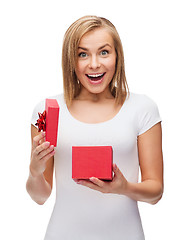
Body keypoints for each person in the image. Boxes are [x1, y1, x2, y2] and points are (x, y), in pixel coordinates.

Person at [26, 15, 164, 240]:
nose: (94, 64)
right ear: (71, 60)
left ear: (117, 56)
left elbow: (155, 191)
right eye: (83, 54)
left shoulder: (142, 108)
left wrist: (123, 188)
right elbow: (40, 196)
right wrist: (35, 171)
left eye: (104, 52)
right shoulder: (47, 111)